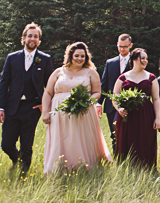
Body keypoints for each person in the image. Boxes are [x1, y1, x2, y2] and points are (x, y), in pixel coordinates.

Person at [42, 42, 112, 174]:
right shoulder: (58, 71)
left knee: (79, 138)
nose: (80, 59)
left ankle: (81, 167)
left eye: (83, 56)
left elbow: (97, 93)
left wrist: (85, 101)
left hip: (82, 111)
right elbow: (47, 93)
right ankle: (59, 167)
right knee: (61, 138)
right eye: (77, 56)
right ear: (70, 56)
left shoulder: (91, 72)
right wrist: (46, 112)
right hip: (59, 112)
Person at [0, 23, 53, 174]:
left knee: (26, 145)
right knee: (6, 144)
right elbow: (4, 84)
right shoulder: (12, 58)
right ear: (23, 39)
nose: (32, 39)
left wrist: (44, 105)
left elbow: (50, 86)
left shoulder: (45, 59)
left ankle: (23, 176)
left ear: (39, 40)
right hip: (12, 107)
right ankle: (17, 161)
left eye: (36, 36)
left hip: (32, 108)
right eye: (30, 36)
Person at [113, 48, 160, 168]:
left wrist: (158, 118)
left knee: (145, 139)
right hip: (127, 115)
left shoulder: (151, 77)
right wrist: (119, 108)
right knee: (127, 139)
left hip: (146, 114)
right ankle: (126, 167)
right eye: (142, 58)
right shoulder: (123, 77)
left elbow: (156, 99)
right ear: (134, 59)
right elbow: (114, 97)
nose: (145, 61)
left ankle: (146, 167)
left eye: (146, 58)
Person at [98, 34, 133, 151]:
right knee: (114, 133)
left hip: (131, 104)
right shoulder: (110, 63)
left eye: (125, 47)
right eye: (120, 46)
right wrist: (99, 103)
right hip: (111, 105)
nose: (122, 49)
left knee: (129, 134)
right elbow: (104, 84)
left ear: (130, 46)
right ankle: (118, 160)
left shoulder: (135, 62)